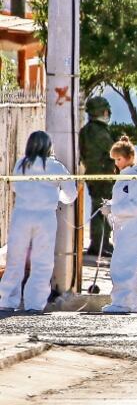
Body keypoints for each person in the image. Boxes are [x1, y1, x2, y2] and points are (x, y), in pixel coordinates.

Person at [0, 131, 78, 313]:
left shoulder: (21, 164)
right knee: (42, 261)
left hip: (22, 215)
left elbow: (15, 187)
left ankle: (7, 300)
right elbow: (70, 194)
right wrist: (56, 197)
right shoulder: (55, 166)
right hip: (44, 217)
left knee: (15, 259)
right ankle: (34, 303)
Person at [101, 136, 137, 314]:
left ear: (130, 157)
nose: (117, 163)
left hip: (133, 226)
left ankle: (123, 303)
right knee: (127, 265)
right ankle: (130, 303)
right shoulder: (126, 176)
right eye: (115, 160)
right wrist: (111, 207)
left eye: (119, 159)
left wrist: (113, 208)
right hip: (125, 227)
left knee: (122, 265)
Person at [79, 96, 116, 256]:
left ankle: (99, 243)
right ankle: (101, 244)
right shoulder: (100, 132)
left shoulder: (85, 131)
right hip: (104, 177)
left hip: (93, 175)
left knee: (98, 209)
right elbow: (112, 151)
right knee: (104, 210)